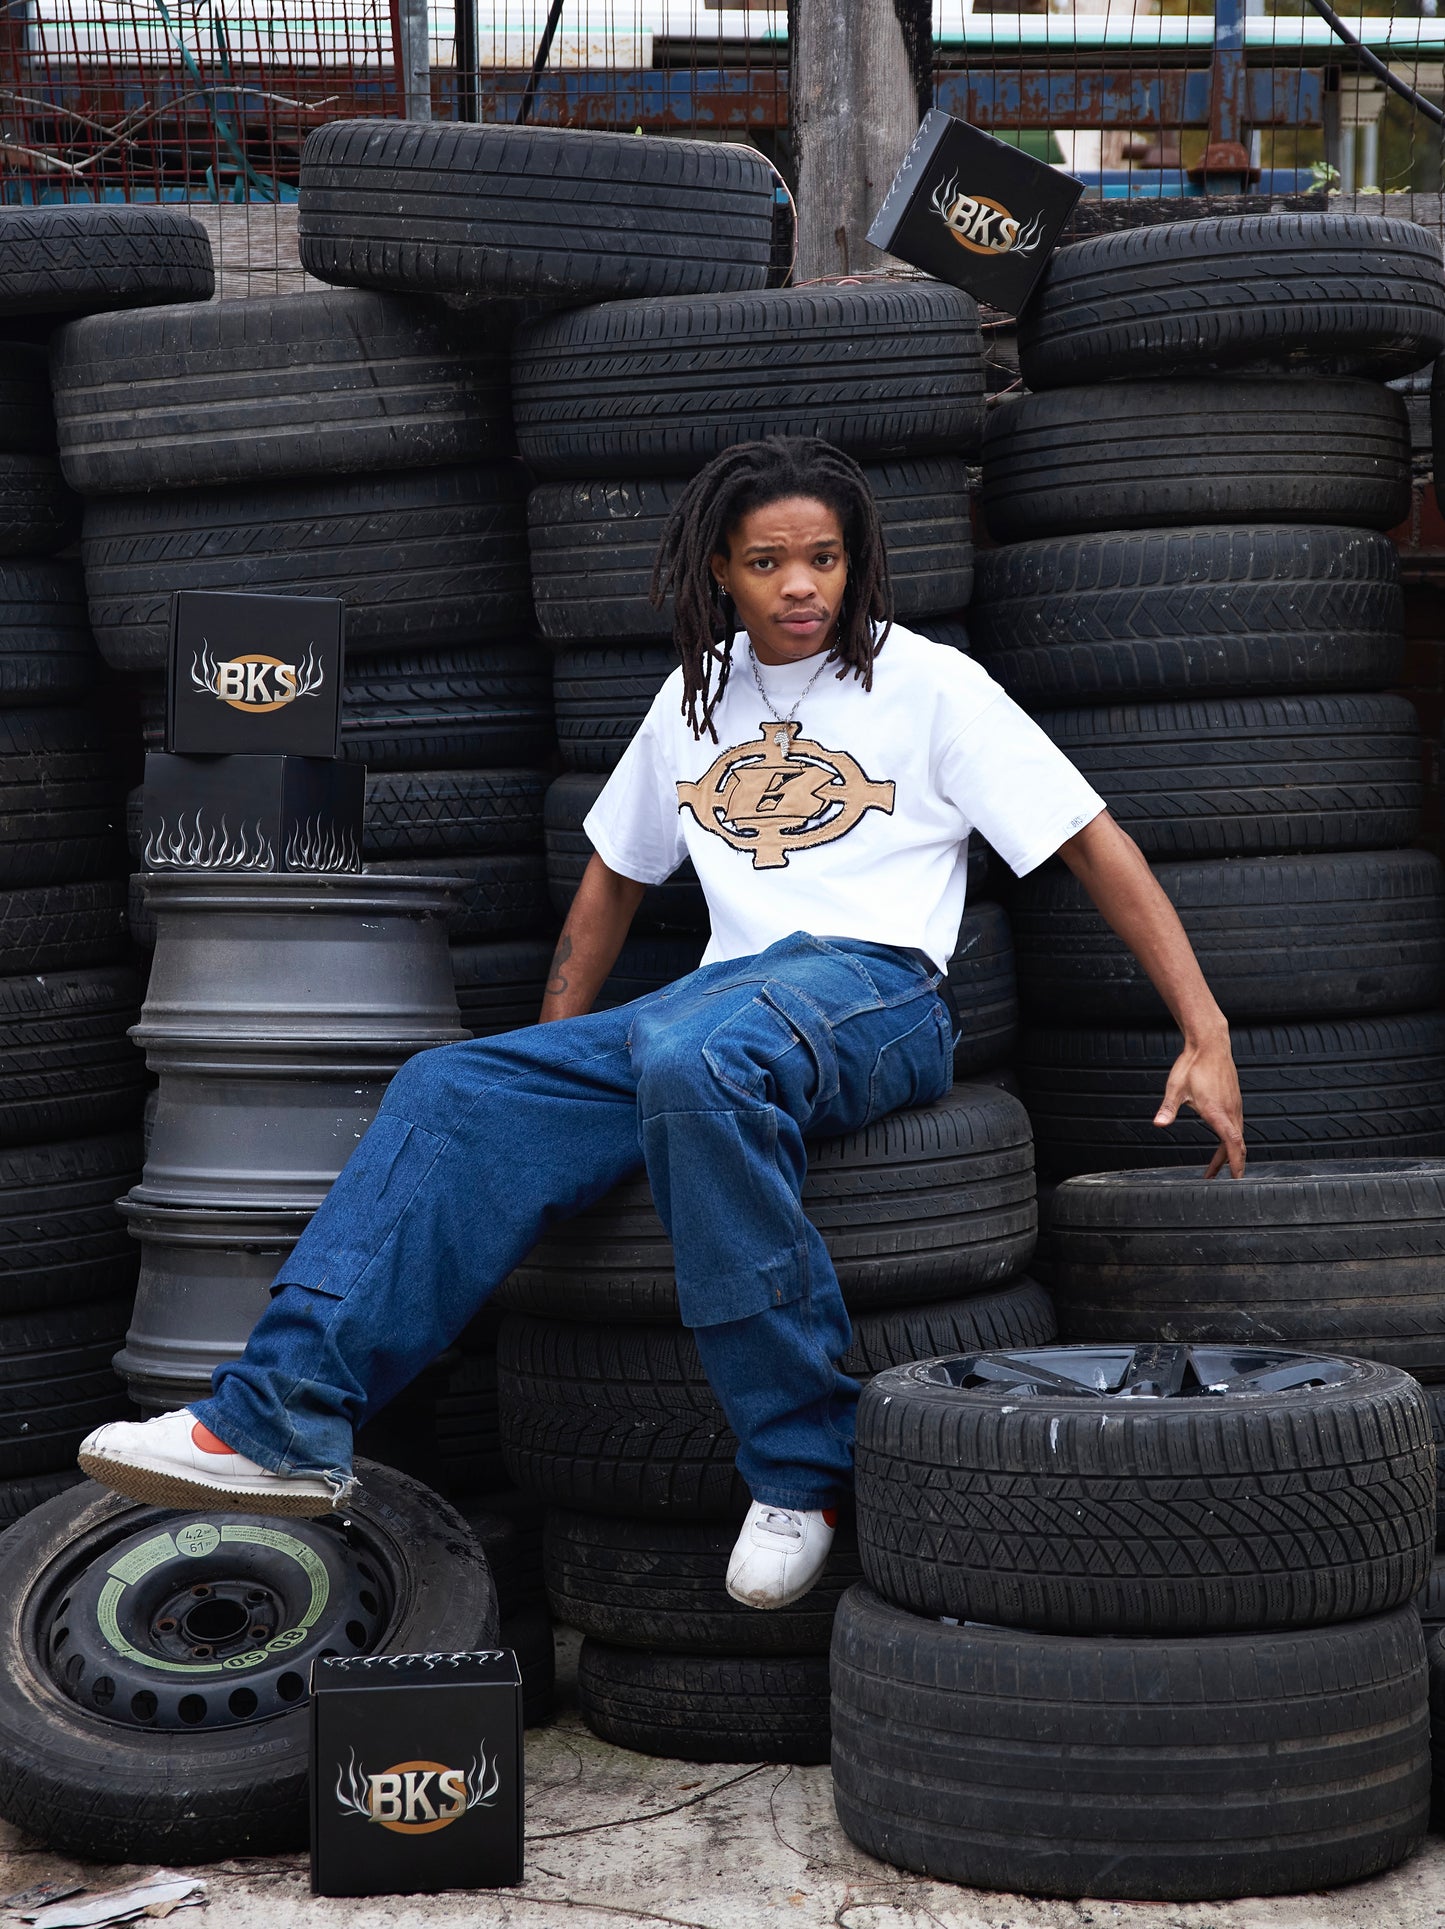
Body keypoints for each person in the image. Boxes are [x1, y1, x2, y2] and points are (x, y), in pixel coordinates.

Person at [80, 436, 1245, 1611]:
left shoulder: (930, 684)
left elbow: (1091, 842)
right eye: (767, 562)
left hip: (878, 987)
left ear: (855, 563)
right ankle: (277, 1419)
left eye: (824, 558)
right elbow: (610, 879)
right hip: (723, 994)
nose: (800, 585)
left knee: (700, 1058)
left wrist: (1203, 1031)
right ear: (719, 573)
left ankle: (800, 1467)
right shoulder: (696, 695)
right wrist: (550, 1065)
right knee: (455, 1087)